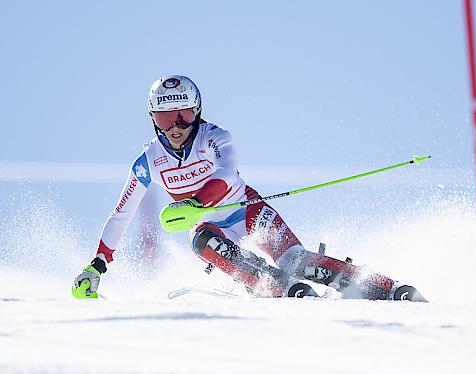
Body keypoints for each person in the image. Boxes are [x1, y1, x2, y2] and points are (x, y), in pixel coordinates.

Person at [72, 75, 426, 302]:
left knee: (298, 261)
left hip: (249, 211)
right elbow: (122, 213)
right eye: (167, 119)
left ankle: (389, 290)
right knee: (202, 241)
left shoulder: (216, 137)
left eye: (184, 116)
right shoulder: (148, 161)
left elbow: (225, 176)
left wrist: (196, 202)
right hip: (211, 227)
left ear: (197, 112)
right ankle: (279, 288)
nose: (177, 126)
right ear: (154, 119)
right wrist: (97, 264)